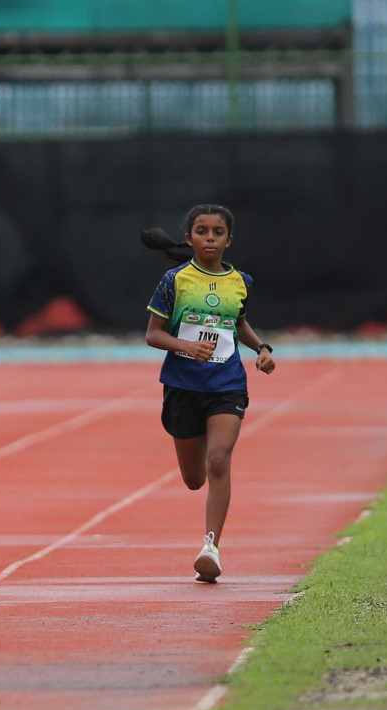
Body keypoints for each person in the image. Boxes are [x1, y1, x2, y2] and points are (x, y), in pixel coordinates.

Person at [141, 203, 276, 583]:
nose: (210, 238)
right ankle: (205, 511)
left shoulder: (241, 282)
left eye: (217, 232)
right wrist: (186, 348)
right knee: (194, 478)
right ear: (189, 238)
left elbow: (239, 323)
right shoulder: (175, 280)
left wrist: (261, 349)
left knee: (219, 461)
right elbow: (153, 334)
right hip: (183, 387)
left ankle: (210, 548)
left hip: (227, 384)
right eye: (202, 231)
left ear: (228, 240)